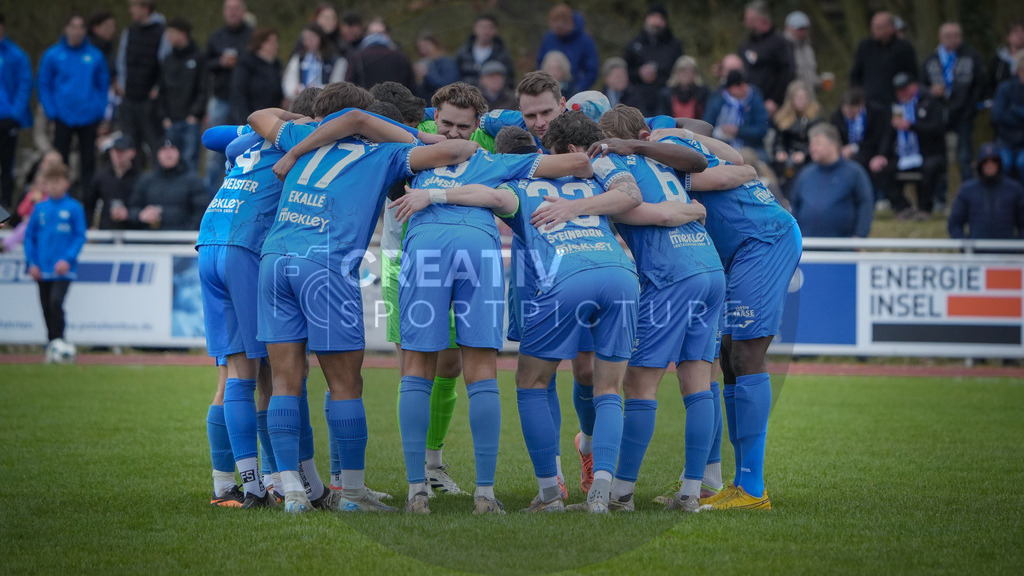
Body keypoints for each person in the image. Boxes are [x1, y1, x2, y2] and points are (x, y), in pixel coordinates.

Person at [389, 111, 642, 514]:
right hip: (622, 276)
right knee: (610, 388)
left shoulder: (517, 181)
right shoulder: (597, 177)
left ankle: (550, 495)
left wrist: (434, 195)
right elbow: (635, 201)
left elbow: (490, 197)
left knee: (531, 383)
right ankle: (604, 492)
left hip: (566, 277)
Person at [245, 81, 479, 513]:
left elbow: (257, 115)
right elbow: (457, 153)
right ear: (375, 120)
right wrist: (418, 135)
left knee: (284, 382)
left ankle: (293, 492)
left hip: (274, 260)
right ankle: (351, 495)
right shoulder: (384, 153)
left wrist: (310, 128)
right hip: (326, 266)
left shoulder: (301, 138)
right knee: (346, 384)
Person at [37, 14, 110, 200]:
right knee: (60, 163)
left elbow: (103, 86)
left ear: (85, 31)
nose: (76, 31)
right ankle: (59, 201)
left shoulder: (95, 56)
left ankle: (87, 206)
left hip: (88, 118)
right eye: (73, 26)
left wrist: (98, 110)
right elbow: (44, 85)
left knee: (88, 164)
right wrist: (51, 111)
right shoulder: (53, 55)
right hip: (62, 116)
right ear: (66, 29)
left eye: (80, 27)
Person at [24, 161, 86, 353]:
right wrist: (32, 263)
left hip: (63, 269)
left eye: (56, 181)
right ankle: (52, 342)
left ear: (66, 183)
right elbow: (29, 237)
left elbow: (80, 235)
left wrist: (67, 259)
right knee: (45, 306)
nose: (52, 186)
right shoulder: (40, 208)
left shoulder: (74, 207)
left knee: (55, 302)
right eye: (49, 182)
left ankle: (59, 339)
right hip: (42, 268)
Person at [873, 72, 948, 219]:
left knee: (930, 167)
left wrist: (912, 126)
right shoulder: (896, 107)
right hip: (903, 155)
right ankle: (903, 207)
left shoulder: (928, 102)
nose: (901, 93)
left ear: (913, 86)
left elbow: (937, 129)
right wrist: (881, 155)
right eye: (898, 90)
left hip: (928, 153)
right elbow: (888, 135)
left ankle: (924, 209)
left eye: (904, 89)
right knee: (880, 169)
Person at [921, 22, 986, 184]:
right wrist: (931, 90)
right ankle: (941, 197)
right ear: (940, 37)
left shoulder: (971, 56)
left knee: (964, 155)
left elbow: (980, 85)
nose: (953, 39)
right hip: (938, 114)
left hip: (963, 113)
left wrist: (971, 108)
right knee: (940, 157)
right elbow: (920, 85)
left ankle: (968, 189)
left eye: (956, 35)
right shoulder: (931, 59)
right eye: (949, 36)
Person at [789, 123, 874, 237]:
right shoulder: (805, 174)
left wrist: (860, 235)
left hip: (842, 247)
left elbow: (865, 204)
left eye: (818, 143)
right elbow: (795, 205)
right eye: (811, 143)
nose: (812, 148)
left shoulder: (854, 172)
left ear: (834, 146)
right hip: (808, 246)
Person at [204, 0, 252, 194]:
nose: (232, 13)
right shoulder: (216, 36)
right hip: (221, 98)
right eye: (229, 9)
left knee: (245, 146)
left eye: (236, 9)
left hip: (245, 100)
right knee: (214, 151)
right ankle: (208, 194)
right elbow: (205, 64)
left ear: (243, 12)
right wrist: (220, 62)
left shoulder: (251, 36)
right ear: (224, 12)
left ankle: (239, 191)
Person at [116, 0, 170, 163]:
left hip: (150, 101)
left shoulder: (162, 32)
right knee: (130, 146)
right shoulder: (129, 31)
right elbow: (122, 60)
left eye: (134, 6)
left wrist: (157, 88)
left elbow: (165, 64)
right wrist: (122, 83)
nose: (130, 10)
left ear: (145, 8)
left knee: (155, 144)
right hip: (130, 97)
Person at [158, 17, 206, 173]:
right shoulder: (168, 59)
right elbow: (163, 89)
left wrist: (195, 114)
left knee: (190, 160)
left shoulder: (198, 57)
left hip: (190, 120)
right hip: (171, 120)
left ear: (183, 34)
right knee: (171, 161)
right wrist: (164, 115)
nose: (168, 37)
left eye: (171, 33)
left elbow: (203, 87)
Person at [948, 143, 1024, 239]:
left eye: (993, 161)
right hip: (976, 251)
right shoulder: (967, 190)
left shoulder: (1014, 189)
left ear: (999, 163)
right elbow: (954, 224)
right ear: (980, 164)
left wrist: (1017, 247)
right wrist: (966, 246)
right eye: (986, 162)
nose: (990, 165)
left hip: (1007, 251)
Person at [128, 139, 207, 229]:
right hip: (150, 239)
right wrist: (140, 215)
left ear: (179, 153)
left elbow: (202, 211)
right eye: (164, 150)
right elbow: (132, 209)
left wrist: (187, 232)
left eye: (172, 149)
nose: (168, 153)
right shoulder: (145, 181)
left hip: (183, 239)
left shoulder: (193, 181)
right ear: (157, 154)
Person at [850, 11, 918, 109]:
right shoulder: (864, 47)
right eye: (873, 27)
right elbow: (855, 75)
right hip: (870, 104)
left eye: (878, 28)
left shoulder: (905, 48)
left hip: (897, 103)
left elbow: (913, 75)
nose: (874, 31)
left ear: (890, 28)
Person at [0, 13, 33, 211]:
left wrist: (14, 114)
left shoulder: (16, 55)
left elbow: (25, 84)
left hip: (8, 120)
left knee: (7, 168)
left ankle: (3, 214)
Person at [738, 1, 795, 117]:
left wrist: (775, 100)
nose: (746, 24)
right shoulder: (747, 44)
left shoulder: (779, 42)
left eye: (749, 20)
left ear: (762, 20)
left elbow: (787, 72)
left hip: (770, 105)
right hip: (747, 103)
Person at [704, 70, 770, 159]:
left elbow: (762, 129)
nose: (744, 88)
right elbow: (707, 125)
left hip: (750, 146)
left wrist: (738, 131)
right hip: (720, 145)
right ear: (731, 88)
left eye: (745, 84)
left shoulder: (755, 99)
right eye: (739, 85)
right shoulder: (717, 101)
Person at [536, 4, 599, 96]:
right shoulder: (549, 38)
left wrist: (577, 91)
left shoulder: (585, 41)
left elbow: (591, 70)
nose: (556, 28)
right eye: (554, 25)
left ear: (569, 22)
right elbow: (540, 64)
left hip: (575, 92)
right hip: (549, 91)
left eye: (560, 26)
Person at [770, 80, 822, 192]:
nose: (802, 101)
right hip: (788, 156)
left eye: (804, 97)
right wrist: (780, 151)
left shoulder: (815, 118)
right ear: (791, 100)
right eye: (799, 98)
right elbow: (778, 141)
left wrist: (804, 153)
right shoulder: (782, 118)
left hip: (807, 156)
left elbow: (817, 141)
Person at [622, 4, 682, 91]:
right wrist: (639, 73)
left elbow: (679, 70)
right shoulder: (633, 44)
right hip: (637, 93)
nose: (656, 22)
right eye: (653, 17)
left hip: (666, 93)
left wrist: (658, 72)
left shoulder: (674, 45)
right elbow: (625, 70)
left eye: (661, 18)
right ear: (647, 19)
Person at [282, 24, 347, 104]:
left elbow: (337, 86)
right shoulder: (299, 58)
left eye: (311, 38)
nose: (307, 42)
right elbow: (289, 79)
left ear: (320, 38)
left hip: (325, 104)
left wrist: (317, 88)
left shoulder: (336, 61)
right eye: (305, 39)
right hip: (301, 103)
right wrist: (293, 90)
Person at [86, 136, 139, 229]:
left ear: (132, 153)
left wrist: (129, 214)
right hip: (106, 232)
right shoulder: (101, 177)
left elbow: (144, 207)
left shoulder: (140, 179)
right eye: (115, 151)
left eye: (122, 151)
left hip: (133, 232)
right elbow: (89, 204)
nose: (118, 155)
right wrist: (90, 226)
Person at [350, 19, 415, 92]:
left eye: (380, 33)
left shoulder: (357, 56)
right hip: (392, 101)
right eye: (373, 33)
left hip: (369, 100)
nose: (376, 36)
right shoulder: (400, 55)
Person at [454, 13, 515, 89]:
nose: (486, 31)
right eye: (482, 27)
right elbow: (454, 77)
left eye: (490, 27)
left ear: (496, 30)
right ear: (475, 28)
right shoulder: (463, 52)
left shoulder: (503, 54)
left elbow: (510, 80)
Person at [992, 53, 1024, 180]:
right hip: (1005, 141)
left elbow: (1006, 113)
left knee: (1022, 164)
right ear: (1018, 71)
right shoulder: (1004, 88)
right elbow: (997, 116)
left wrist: (1014, 110)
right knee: (1004, 164)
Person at [413, 32, 460, 102]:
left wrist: (426, 74)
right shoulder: (425, 63)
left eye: (427, 46)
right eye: (420, 47)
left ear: (435, 45)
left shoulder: (446, 62)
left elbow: (449, 85)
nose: (424, 50)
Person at [661, 56, 708, 120]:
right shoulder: (666, 94)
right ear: (676, 73)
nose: (686, 75)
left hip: (696, 128)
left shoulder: (703, 93)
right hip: (672, 128)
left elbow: (708, 116)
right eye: (683, 71)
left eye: (690, 72)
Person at [783, 11, 820, 91]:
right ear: (788, 28)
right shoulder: (782, 48)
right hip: (791, 99)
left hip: (809, 98)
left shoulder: (808, 49)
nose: (803, 32)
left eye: (805, 28)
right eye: (799, 28)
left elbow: (811, 75)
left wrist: (820, 82)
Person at [989, 20, 1024, 97]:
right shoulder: (998, 59)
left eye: (1022, 31)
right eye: (1015, 31)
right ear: (1008, 37)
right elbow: (990, 82)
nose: (1020, 34)